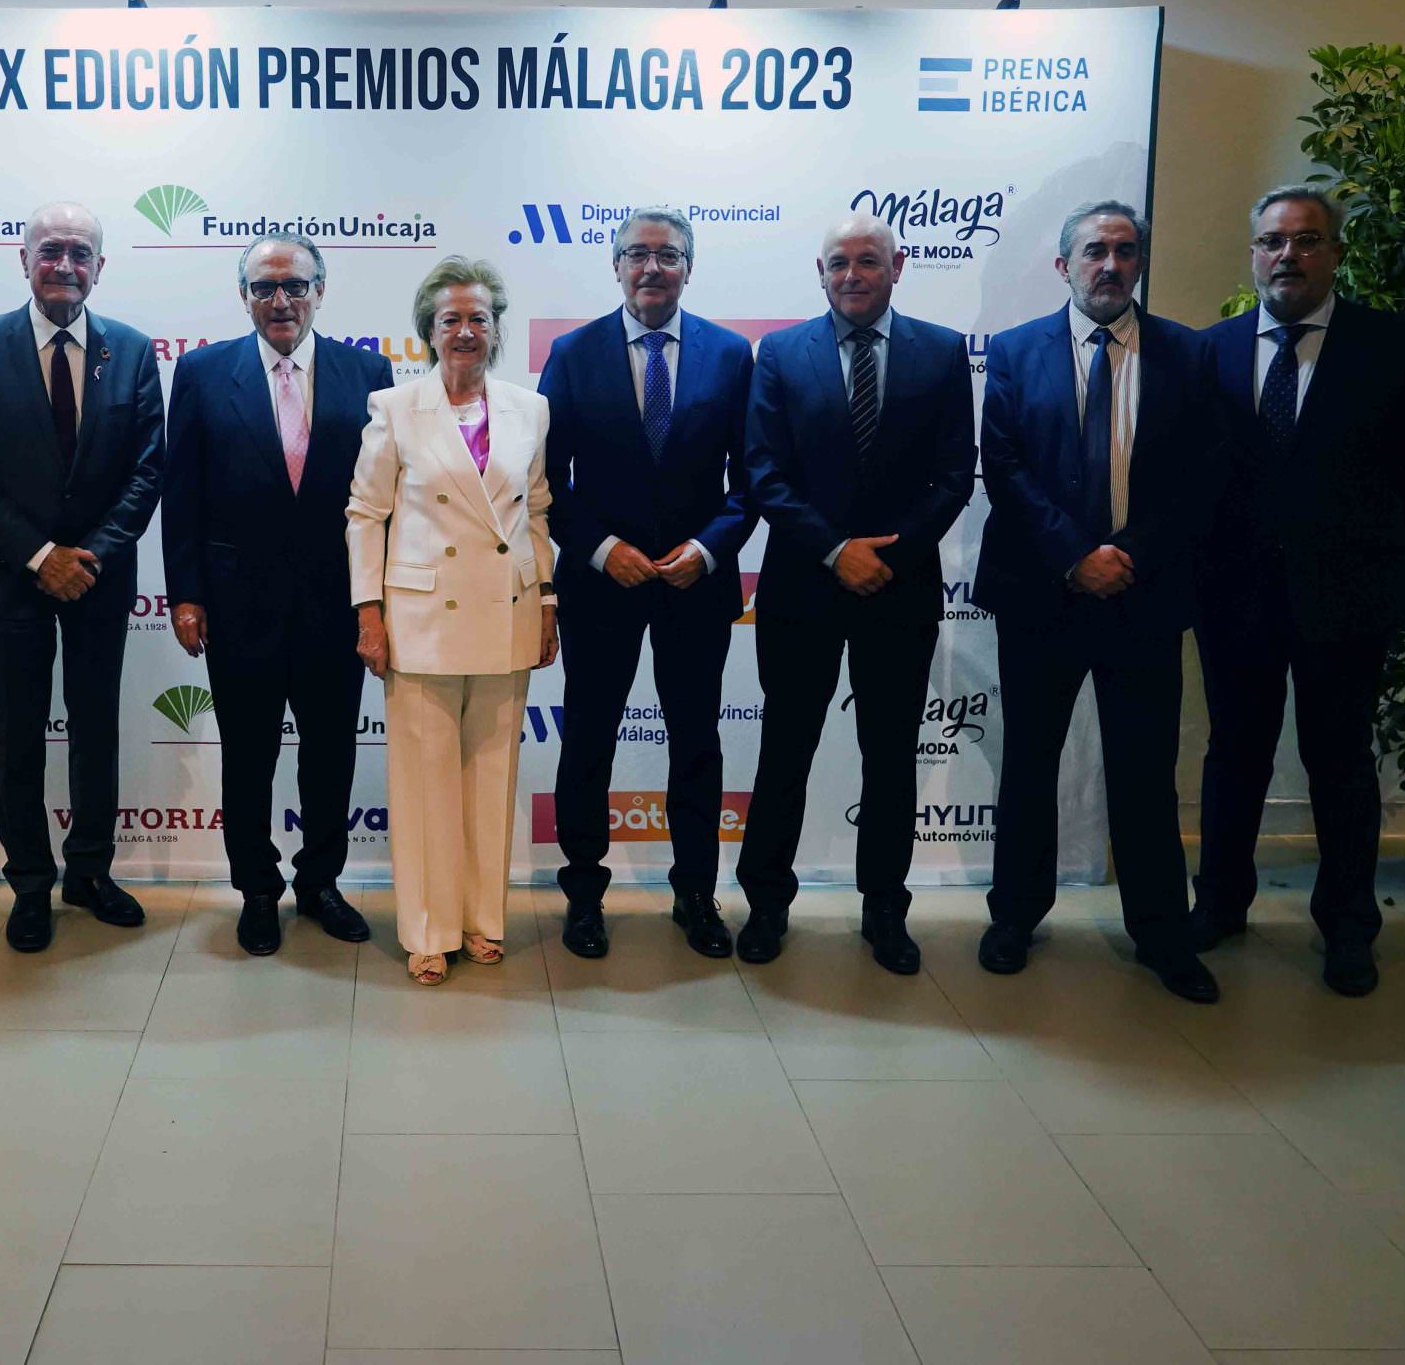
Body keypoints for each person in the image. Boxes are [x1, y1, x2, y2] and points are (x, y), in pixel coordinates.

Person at [1193, 186, 1405, 997]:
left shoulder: (1393, 346)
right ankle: (1220, 903)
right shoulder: (1209, 351)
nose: (1289, 255)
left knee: (1339, 759)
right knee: (1233, 754)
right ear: (1253, 253)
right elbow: (1188, 473)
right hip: (1236, 595)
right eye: (1273, 241)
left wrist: (1375, 541)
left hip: (1348, 595)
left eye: (1307, 240)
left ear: (1335, 254)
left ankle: (1348, 924)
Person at [971, 202, 1220, 1003]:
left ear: (1140, 261)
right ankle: (1015, 916)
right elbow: (1004, 464)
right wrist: (1075, 556)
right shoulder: (1015, 350)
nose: (1109, 264)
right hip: (1041, 591)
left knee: (1145, 772)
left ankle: (1161, 932)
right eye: (1093, 251)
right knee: (1029, 763)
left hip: (1143, 592)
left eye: (1124, 250)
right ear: (1063, 265)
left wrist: (1127, 554)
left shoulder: (1189, 352)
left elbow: (1200, 475)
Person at [737, 212, 975, 971]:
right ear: (820, 272)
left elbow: (954, 474)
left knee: (891, 756)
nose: (852, 275)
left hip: (899, 588)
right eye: (837, 262)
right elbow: (763, 471)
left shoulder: (942, 351)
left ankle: (885, 909)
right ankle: (766, 902)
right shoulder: (781, 352)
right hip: (802, 587)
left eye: (868, 260)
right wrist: (837, 550)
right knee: (785, 750)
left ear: (897, 267)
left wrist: (887, 556)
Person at [0, 203, 165, 954]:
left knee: (95, 730)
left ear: (100, 266)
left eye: (79, 252)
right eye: (50, 250)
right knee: (17, 738)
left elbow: (147, 470)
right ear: (24, 259)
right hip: (9, 579)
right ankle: (31, 884)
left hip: (98, 577)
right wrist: (42, 556)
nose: (64, 264)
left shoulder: (132, 350)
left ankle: (89, 873)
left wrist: (86, 556)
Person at [164, 232, 391, 956]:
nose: (281, 300)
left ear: (320, 291)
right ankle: (257, 890)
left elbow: (384, 498)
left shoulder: (369, 372)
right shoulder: (202, 372)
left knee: (330, 755)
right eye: (264, 287)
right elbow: (182, 492)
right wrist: (185, 594)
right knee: (248, 755)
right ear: (244, 296)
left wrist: (376, 600)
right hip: (238, 605)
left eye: (295, 285)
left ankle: (320, 883)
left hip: (335, 603)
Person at [538, 207, 755, 960]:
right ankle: (583, 894)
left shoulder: (730, 355)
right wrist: (602, 550)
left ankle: (695, 893)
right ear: (616, 266)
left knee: (696, 741)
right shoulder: (572, 353)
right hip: (602, 584)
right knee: (587, 740)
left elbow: (751, 480)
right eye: (637, 254)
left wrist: (708, 548)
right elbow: (546, 480)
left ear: (689, 267)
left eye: (668, 255)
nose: (652, 268)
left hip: (696, 584)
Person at [348, 257, 556, 986]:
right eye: (451, 320)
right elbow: (365, 515)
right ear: (429, 331)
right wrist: (369, 613)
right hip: (421, 617)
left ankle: (481, 919)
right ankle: (428, 929)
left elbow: (536, 513)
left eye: (478, 319)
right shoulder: (395, 406)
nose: (466, 331)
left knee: (492, 777)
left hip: (507, 611)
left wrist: (548, 602)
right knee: (424, 781)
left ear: (496, 329)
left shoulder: (530, 408)